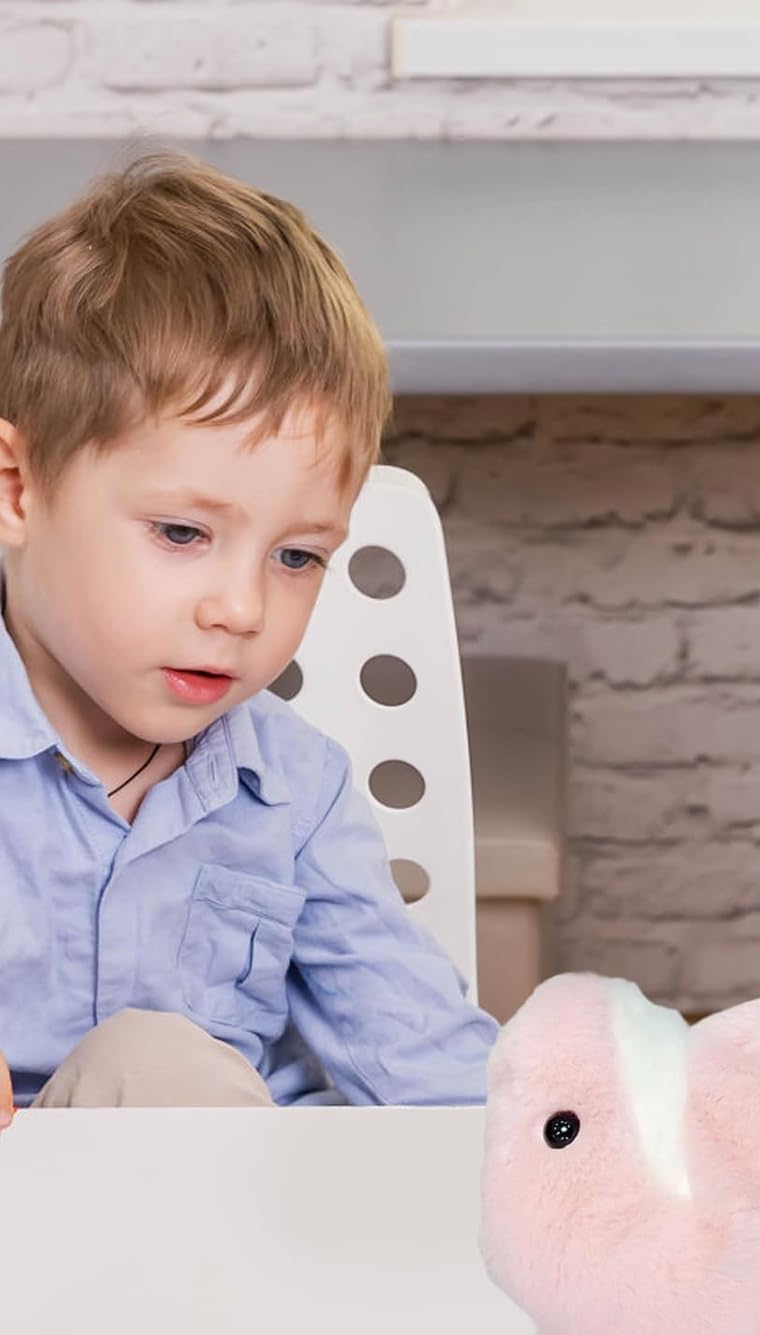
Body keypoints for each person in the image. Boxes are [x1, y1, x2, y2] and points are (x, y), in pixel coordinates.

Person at [0, 153, 497, 1120]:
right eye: (183, 534)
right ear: (17, 489)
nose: (242, 609)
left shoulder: (296, 793)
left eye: (297, 556)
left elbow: (429, 1065)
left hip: (228, 1192)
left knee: (161, 1066)